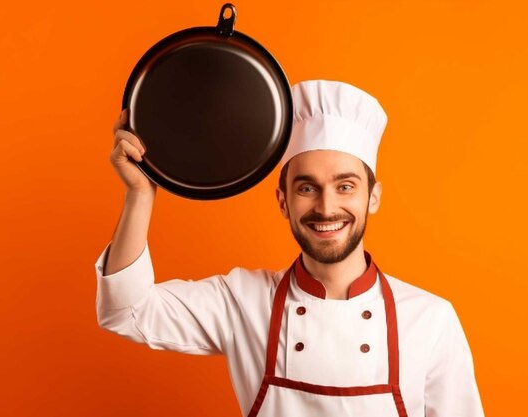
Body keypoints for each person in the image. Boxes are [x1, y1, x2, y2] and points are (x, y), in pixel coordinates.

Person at [95, 80, 485, 417]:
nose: (326, 207)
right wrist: (140, 194)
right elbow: (127, 311)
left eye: (345, 186)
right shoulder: (244, 302)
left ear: (373, 197)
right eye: (307, 187)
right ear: (283, 201)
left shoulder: (431, 321)